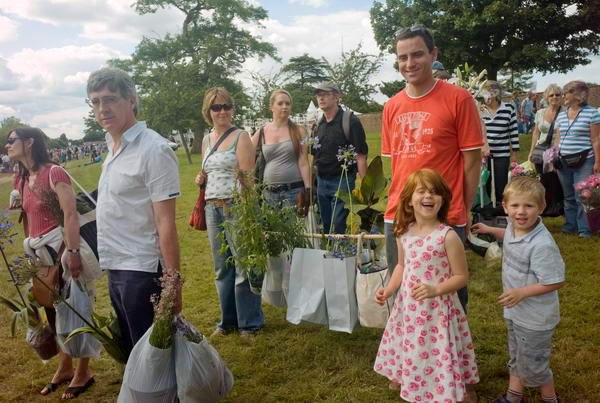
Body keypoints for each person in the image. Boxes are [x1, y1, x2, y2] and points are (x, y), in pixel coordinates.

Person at [381, 25, 483, 313]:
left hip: (443, 213)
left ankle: (451, 354)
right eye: (402, 57)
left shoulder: (458, 99)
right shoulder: (391, 107)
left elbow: (472, 161)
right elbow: (397, 163)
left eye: (417, 54)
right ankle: (407, 353)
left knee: (450, 295)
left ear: (433, 54)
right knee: (402, 290)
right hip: (399, 213)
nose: (409, 64)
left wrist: (463, 206)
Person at [87, 67, 182, 357]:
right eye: (95, 102)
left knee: (150, 353)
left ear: (130, 100)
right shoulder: (113, 147)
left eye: (110, 99)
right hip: (115, 262)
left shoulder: (153, 149)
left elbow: (165, 222)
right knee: (132, 348)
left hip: (141, 267)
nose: (102, 109)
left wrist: (173, 282)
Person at [373, 169, 479, 402]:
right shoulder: (403, 233)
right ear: (409, 201)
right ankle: (410, 376)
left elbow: (461, 276)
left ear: (443, 200)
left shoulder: (447, 236)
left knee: (437, 348)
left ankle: (447, 386)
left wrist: (436, 290)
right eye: (421, 192)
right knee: (413, 345)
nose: (428, 197)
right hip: (410, 308)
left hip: (438, 310)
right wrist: (389, 289)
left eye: (434, 192)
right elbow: (401, 266)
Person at [6, 127, 95, 399]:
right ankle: (65, 366)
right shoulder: (20, 180)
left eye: (11, 141)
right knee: (53, 311)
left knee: (79, 307)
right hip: (40, 254)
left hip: (62, 249)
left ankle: (83, 371)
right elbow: (27, 220)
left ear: (29, 142)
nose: (6, 146)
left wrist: (73, 251)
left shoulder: (53, 172)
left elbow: (70, 214)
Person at [472, 177, 565, 403]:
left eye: (529, 206)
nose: (521, 212)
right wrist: (492, 230)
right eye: (515, 206)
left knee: (534, 364)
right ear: (505, 207)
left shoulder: (541, 245)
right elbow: (510, 236)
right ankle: (514, 397)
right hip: (516, 313)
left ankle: (550, 398)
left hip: (535, 319)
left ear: (541, 208)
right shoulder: (515, 227)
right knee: (517, 356)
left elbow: (555, 281)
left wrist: (522, 292)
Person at [194, 87, 263, 338]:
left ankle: (249, 323)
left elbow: (247, 178)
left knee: (243, 264)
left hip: (236, 206)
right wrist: (200, 178)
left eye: (226, 106)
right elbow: (208, 171)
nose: (222, 111)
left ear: (232, 109)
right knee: (222, 267)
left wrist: (248, 212)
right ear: (208, 111)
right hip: (212, 207)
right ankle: (227, 322)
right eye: (216, 107)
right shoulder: (206, 140)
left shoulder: (241, 136)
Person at [311, 82, 368, 234]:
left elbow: (361, 156)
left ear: (337, 97)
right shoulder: (318, 124)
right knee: (326, 224)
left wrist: (367, 187)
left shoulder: (350, 121)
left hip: (342, 180)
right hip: (321, 181)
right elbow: (314, 155)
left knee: (338, 223)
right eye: (318, 95)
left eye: (325, 94)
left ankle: (339, 254)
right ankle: (329, 254)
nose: (321, 98)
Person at [555, 80, 600, 238]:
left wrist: (598, 160)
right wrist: (554, 157)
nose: (563, 96)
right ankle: (570, 225)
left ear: (577, 95)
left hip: (585, 161)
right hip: (564, 161)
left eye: (566, 92)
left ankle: (584, 229)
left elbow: (596, 139)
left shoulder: (592, 113)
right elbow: (558, 139)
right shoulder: (561, 115)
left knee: (583, 195)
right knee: (568, 196)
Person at [252, 89, 311, 210]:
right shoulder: (262, 132)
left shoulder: (299, 131)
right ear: (271, 107)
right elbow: (246, 158)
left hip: (294, 191)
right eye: (280, 103)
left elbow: (304, 162)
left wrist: (308, 190)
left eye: (287, 103)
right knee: (271, 229)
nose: (284, 107)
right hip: (269, 193)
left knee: (293, 228)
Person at [527, 84, 564, 216]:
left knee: (555, 179)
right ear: (546, 98)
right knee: (543, 179)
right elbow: (536, 133)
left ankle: (557, 206)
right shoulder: (540, 113)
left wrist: (555, 153)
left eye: (557, 94)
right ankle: (545, 205)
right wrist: (531, 151)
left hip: (557, 150)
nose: (554, 97)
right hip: (540, 150)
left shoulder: (565, 112)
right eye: (551, 95)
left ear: (561, 97)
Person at [481, 80, 519, 206]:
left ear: (496, 93)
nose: (487, 96)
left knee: (501, 184)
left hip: (502, 154)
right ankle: (486, 208)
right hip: (484, 155)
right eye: (485, 93)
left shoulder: (508, 108)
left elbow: (513, 132)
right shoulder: (480, 109)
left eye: (490, 93)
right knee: (485, 182)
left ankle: (500, 207)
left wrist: (514, 153)